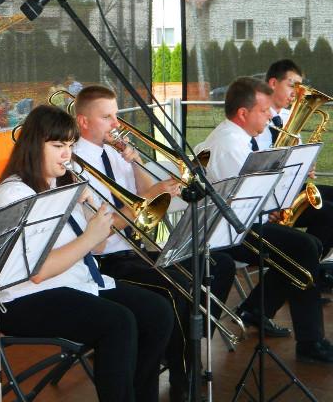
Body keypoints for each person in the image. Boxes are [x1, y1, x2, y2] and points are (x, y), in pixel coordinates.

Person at [0, 105, 173, 402]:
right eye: (58, 146)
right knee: (118, 322)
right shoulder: (15, 194)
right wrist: (89, 236)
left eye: (71, 145)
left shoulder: (57, 182)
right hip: (23, 299)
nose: (67, 154)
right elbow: (38, 273)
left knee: (158, 311)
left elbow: (96, 247)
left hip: (74, 282)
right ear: (34, 145)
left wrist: (87, 206)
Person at [72, 85, 236, 401]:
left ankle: (181, 345)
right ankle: (182, 376)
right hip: (108, 260)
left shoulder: (115, 153)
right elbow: (104, 229)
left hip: (139, 250)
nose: (116, 124)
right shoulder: (77, 165)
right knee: (176, 290)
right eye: (107, 117)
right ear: (83, 121)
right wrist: (149, 194)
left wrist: (135, 163)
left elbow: (153, 208)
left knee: (218, 264)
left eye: (116, 115)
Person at [195, 77, 333, 363]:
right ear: (243, 113)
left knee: (306, 244)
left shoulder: (240, 137)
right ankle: (310, 342)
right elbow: (247, 204)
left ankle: (262, 308)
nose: (270, 116)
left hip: (244, 221)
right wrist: (278, 202)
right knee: (305, 247)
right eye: (263, 110)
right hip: (230, 231)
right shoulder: (230, 145)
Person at [255, 59, 333, 260]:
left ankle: (313, 260)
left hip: (289, 189)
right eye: (292, 86)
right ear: (273, 83)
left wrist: (306, 165)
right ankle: (304, 263)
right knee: (329, 213)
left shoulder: (291, 116)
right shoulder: (256, 119)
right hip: (268, 196)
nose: (296, 93)